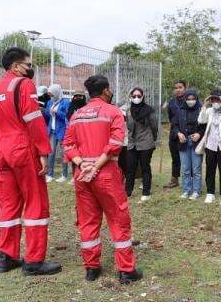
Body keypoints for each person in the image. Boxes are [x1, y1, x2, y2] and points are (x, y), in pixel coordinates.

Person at [0, 47, 61, 275]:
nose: (31, 69)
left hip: (2, 152)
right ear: (16, 66)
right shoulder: (24, 85)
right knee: (36, 203)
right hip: (23, 148)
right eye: (28, 65)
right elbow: (33, 119)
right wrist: (43, 152)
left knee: (9, 206)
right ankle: (33, 261)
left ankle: (6, 258)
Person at [63, 75, 142, 284]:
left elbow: (68, 145)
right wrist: (95, 167)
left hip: (82, 176)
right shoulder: (114, 112)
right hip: (106, 174)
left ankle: (92, 268)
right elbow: (115, 144)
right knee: (119, 219)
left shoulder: (77, 115)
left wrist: (82, 165)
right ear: (106, 90)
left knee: (88, 222)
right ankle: (126, 270)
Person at [195, 89, 221, 206]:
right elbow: (201, 120)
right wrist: (204, 105)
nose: (215, 101)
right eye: (213, 99)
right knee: (210, 170)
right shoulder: (209, 111)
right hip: (210, 146)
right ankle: (210, 193)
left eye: (218, 99)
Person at [124, 87, 158, 201]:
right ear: (130, 97)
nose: (136, 98)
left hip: (146, 142)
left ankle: (146, 192)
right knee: (130, 168)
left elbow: (154, 127)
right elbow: (128, 126)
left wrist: (153, 140)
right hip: (132, 143)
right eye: (134, 96)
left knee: (145, 167)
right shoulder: (128, 111)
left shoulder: (149, 110)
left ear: (143, 97)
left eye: (139, 96)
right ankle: (127, 192)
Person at [172, 89, 205, 200]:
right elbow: (174, 125)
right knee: (185, 169)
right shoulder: (180, 110)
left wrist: (199, 134)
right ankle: (186, 190)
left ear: (196, 99)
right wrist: (178, 133)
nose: (191, 101)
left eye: (193, 99)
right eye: (188, 99)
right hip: (183, 142)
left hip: (196, 142)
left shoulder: (201, 110)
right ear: (185, 99)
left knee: (196, 169)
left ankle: (196, 191)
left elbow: (205, 127)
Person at [43, 84, 71, 183]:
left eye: (52, 95)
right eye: (50, 95)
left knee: (63, 153)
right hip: (52, 131)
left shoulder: (66, 102)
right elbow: (47, 117)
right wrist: (44, 111)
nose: (51, 97)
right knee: (51, 153)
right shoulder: (49, 102)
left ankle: (64, 175)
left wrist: (57, 112)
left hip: (62, 131)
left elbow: (67, 117)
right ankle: (50, 174)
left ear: (57, 93)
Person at [164, 80, 187, 189]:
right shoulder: (171, 102)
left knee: (187, 158)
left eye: (180, 87)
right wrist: (175, 130)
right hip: (174, 134)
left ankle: (189, 179)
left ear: (185, 88)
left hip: (186, 133)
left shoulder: (190, 100)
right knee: (175, 157)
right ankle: (174, 179)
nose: (178, 90)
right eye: (176, 88)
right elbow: (170, 117)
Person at [66, 91, 88, 185]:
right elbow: (68, 118)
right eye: (76, 96)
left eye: (80, 96)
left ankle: (83, 173)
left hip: (84, 135)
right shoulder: (71, 107)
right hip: (73, 135)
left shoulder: (86, 107)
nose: (78, 98)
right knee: (74, 155)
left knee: (83, 155)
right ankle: (74, 176)